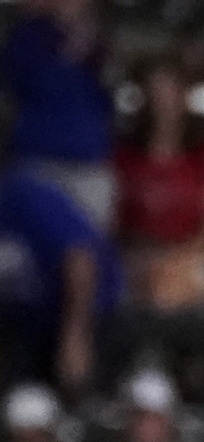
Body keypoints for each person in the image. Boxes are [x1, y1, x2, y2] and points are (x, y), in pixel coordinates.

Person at [112, 60, 204, 315]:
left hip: (191, 256)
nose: (162, 103)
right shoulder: (123, 159)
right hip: (136, 257)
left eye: (169, 93)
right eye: (155, 93)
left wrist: (174, 259)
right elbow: (111, 222)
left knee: (170, 284)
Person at [4, 0, 114, 229]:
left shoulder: (104, 41)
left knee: (89, 261)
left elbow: (110, 101)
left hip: (89, 168)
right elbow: (20, 83)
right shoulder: (27, 37)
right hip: (38, 167)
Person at [0, 167, 118, 393]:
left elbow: (80, 261)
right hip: (23, 320)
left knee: (74, 384)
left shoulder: (23, 197)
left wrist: (74, 336)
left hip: (86, 311)